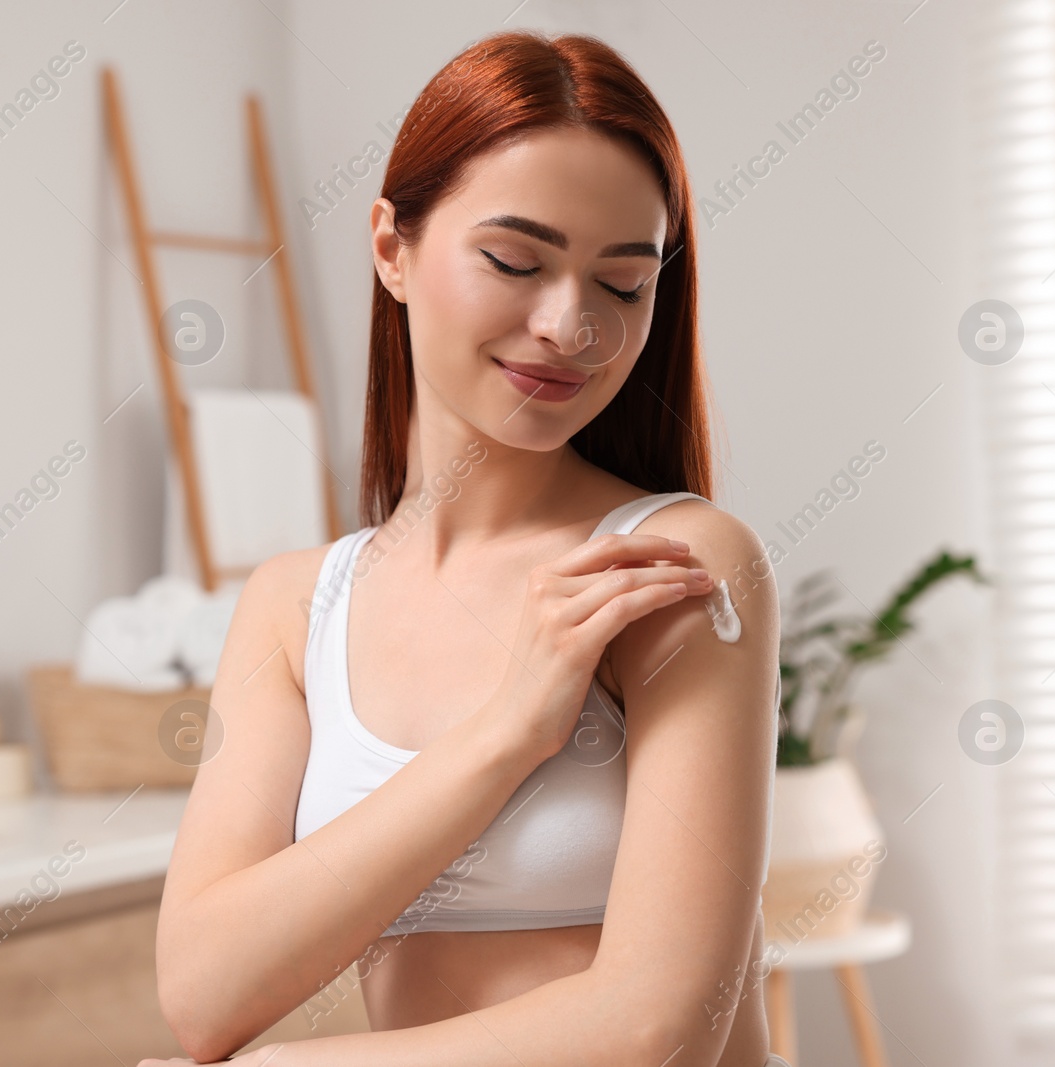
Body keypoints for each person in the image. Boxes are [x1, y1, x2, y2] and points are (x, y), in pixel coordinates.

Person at [145, 28, 785, 1067]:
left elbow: (655, 1026)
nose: (570, 324)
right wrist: (505, 732)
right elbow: (204, 991)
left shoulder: (672, 566)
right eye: (514, 260)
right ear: (391, 247)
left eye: (622, 285)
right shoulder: (295, 605)